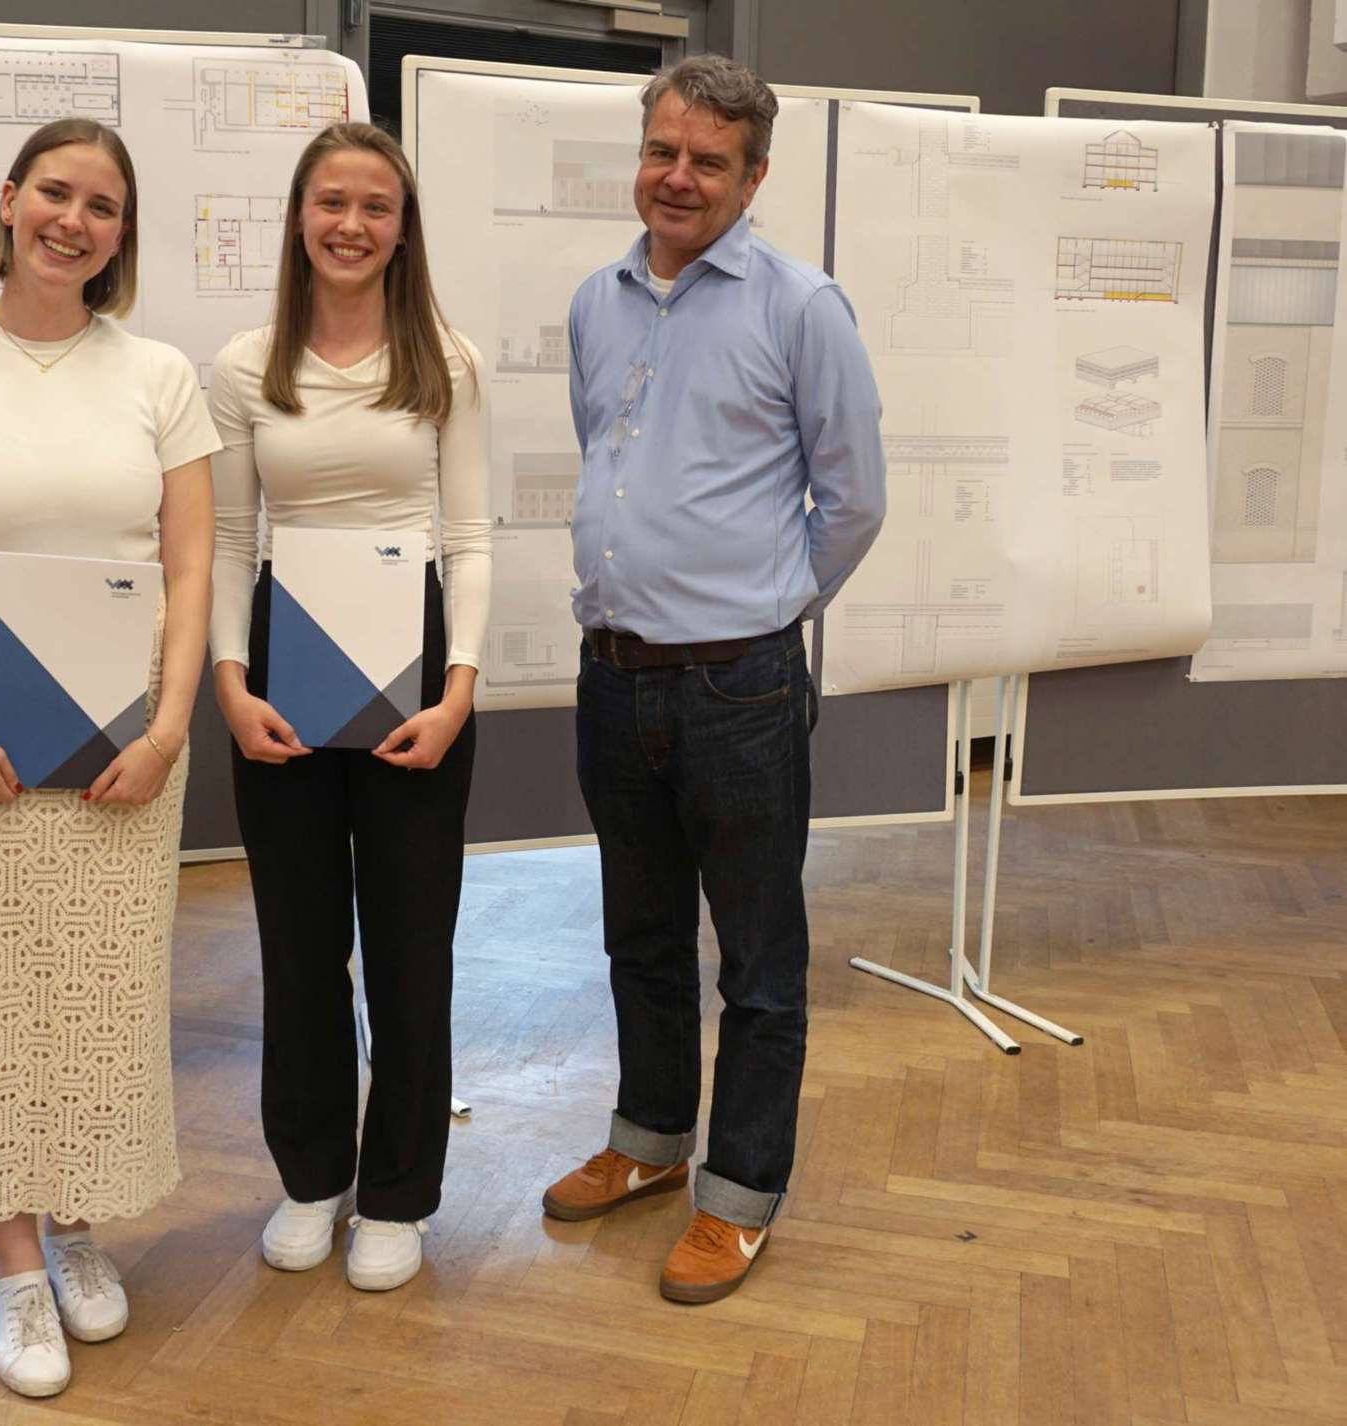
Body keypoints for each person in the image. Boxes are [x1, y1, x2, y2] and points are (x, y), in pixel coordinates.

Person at [0, 118, 218, 1398]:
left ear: (121, 235)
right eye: (55, 193)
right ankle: (14, 1265)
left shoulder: (159, 376)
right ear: (10, 202)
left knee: (100, 988)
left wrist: (169, 730)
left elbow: (191, 567)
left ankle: (74, 1223)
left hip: (125, 716)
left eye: (102, 206)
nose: (74, 220)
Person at [539, 55, 886, 1304]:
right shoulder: (596, 302)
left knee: (757, 960)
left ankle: (736, 1194)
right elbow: (608, 457)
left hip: (739, 689)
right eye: (663, 151)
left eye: (708, 161)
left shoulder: (802, 308)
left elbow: (853, 501)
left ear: (752, 178)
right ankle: (647, 1140)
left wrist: (764, 611)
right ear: (641, 153)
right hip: (613, 677)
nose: (677, 177)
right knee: (637, 936)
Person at [208, 121, 490, 1293]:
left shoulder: (446, 362)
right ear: (298, 216)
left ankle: (397, 1193)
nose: (351, 224)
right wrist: (229, 682)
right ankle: (312, 1176)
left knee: (410, 947)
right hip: (283, 658)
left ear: (402, 229)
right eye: (332, 201)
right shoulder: (245, 366)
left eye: (376, 206)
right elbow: (230, 540)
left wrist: (458, 691)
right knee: (299, 942)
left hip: (416, 667)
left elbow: (467, 538)